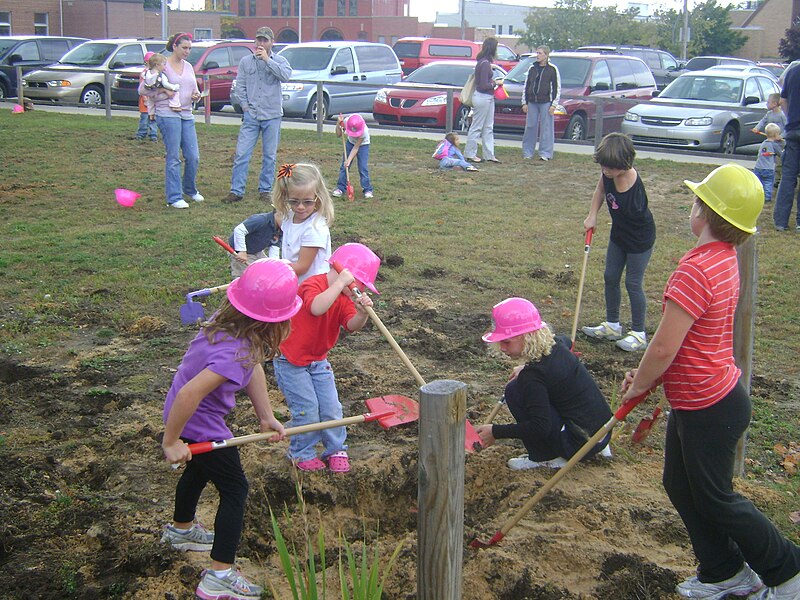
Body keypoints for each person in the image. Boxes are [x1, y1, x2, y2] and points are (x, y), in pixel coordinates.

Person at [620, 163, 800, 600]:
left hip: (709, 406)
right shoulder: (723, 258)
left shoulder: (696, 271)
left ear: (703, 212)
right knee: (679, 484)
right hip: (702, 399)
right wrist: (652, 381)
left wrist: (638, 386)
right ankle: (723, 571)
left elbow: (663, 348)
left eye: (696, 200)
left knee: (717, 498)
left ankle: (788, 572)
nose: (691, 206)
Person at [161, 258, 302, 600]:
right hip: (196, 421)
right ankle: (220, 575)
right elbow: (190, 392)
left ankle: (181, 530)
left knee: (197, 472)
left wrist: (265, 416)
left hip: (190, 418)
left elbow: (252, 365)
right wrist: (172, 440)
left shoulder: (230, 329)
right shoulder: (234, 353)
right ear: (278, 319)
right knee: (235, 489)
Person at [273, 243, 379, 472]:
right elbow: (315, 308)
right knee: (307, 410)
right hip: (290, 360)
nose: (359, 290)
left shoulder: (344, 297)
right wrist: (341, 283)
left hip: (318, 360)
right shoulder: (314, 284)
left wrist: (361, 313)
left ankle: (336, 448)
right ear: (343, 272)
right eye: (359, 284)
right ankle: (302, 453)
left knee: (331, 407)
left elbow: (352, 325)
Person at [475, 297, 613, 470]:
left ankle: (545, 457)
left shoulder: (533, 377)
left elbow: (539, 427)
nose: (502, 348)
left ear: (528, 336)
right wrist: (525, 366)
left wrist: (495, 431)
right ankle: (593, 447)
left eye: (506, 342)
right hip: (601, 433)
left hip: (580, 445)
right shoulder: (557, 344)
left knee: (513, 391)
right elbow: (568, 341)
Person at [581, 132, 655, 352]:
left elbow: (632, 218)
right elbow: (600, 190)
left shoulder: (630, 184)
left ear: (625, 164)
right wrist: (592, 215)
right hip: (620, 234)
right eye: (603, 167)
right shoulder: (608, 173)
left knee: (633, 283)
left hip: (640, 239)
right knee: (610, 276)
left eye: (610, 169)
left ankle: (639, 334)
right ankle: (613, 325)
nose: (606, 172)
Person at [222, 27, 292, 205]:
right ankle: (236, 191)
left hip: (272, 115)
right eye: (258, 40)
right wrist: (245, 107)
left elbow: (285, 76)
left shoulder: (280, 60)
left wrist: (267, 60)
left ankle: (265, 189)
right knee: (242, 154)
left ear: (271, 42)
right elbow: (241, 86)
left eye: (265, 40)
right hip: (251, 115)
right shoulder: (246, 61)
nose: (261, 44)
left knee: (269, 155)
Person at [138, 32, 203, 209]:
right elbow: (143, 90)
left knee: (193, 156)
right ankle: (174, 197)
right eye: (184, 47)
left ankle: (189, 189)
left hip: (187, 114)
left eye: (190, 48)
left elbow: (192, 88)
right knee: (173, 156)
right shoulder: (161, 64)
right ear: (174, 46)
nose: (187, 51)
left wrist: (195, 96)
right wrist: (163, 93)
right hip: (167, 114)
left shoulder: (189, 66)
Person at [273, 163, 333, 283]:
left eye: (308, 202)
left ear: (318, 198)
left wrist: (272, 270)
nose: (300, 207)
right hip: (294, 280)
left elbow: (302, 267)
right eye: (294, 201)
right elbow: (280, 221)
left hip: (312, 288)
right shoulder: (290, 216)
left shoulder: (314, 228)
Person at [464, 37, 502, 164]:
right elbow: (483, 85)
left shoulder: (482, 62)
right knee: (478, 126)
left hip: (486, 97)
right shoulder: (485, 64)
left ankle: (489, 154)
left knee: (487, 127)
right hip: (483, 97)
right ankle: (470, 153)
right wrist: (495, 84)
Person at [521, 45, 560, 162]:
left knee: (546, 128)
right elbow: (527, 85)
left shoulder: (552, 69)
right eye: (537, 53)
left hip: (546, 102)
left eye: (540, 53)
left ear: (546, 55)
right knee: (530, 126)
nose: (537, 55)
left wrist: (554, 104)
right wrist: (525, 102)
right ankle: (527, 152)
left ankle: (545, 153)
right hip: (532, 101)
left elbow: (556, 87)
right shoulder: (532, 68)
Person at [773, 62, 800, 232]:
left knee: (788, 176)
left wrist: (791, 120)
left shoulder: (794, 71)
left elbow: (783, 100)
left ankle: (781, 221)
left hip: (793, 130)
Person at [227, 210, 282, 278]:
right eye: (287, 221)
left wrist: (274, 264)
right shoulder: (261, 220)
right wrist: (242, 251)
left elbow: (274, 246)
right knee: (245, 275)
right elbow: (239, 230)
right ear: (279, 213)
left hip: (257, 250)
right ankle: (240, 285)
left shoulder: (281, 229)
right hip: (241, 250)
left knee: (265, 269)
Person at [333, 113, 374, 199]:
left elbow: (356, 148)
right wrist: (338, 123)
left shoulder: (364, 131)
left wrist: (349, 159)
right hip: (350, 143)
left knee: (363, 167)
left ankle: (367, 189)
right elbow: (338, 134)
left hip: (363, 145)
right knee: (344, 167)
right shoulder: (346, 121)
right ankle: (340, 188)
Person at [754, 124, 784, 204]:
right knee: (768, 182)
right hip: (768, 168)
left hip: (758, 167)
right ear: (776, 135)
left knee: (758, 182)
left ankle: (756, 195)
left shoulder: (763, 143)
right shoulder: (774, 145)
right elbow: (781, 154)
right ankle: (767, 197)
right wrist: (781, 142)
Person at [134, 51, 159, 142]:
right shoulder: (144, 73)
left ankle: (153, 134)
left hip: (153, 99)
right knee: (144, 117)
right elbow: (142, 87)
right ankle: (141, 133)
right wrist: (145, 97)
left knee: (152, 117)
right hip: (145, 99)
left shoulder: (155, 73)